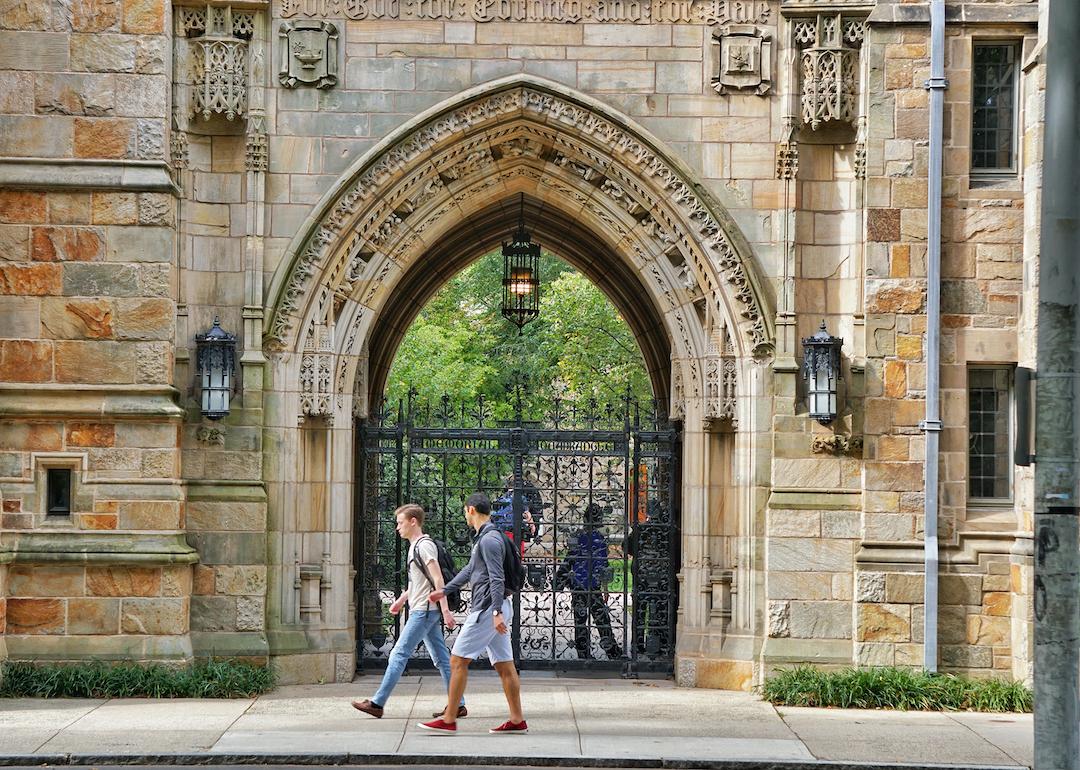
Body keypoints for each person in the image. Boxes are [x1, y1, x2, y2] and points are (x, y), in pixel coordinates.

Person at [419, 492, 528, 735]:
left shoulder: (489, 540)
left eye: (464, 511)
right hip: (494, 609)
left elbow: (497, 577)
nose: (464, 515)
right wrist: (444, 590)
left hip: (488, 609)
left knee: (457, 660)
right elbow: (471, 569)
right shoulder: (487, 537)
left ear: (470, 510)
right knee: (504, 666)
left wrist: (497, 612)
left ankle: (449, 718)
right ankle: (517, 719)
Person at [351, 503, 465, 719]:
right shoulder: (415, 546)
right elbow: (417, 582)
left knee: (398, 653)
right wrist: (401, 600)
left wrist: (446, 610)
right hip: (423, 608)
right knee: (441, 658)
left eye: (400, 523)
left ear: (413, 522)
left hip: (424, 611)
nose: (397, 527)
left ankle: (377, 703)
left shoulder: (424, 546)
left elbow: (438, 578)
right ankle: (458, 704)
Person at [556, 502, 623, 660]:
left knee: (580, 622)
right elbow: (603, 565)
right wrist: (605, 587)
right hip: (593, 585)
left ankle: (583, 653)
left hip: (578, 584)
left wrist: (561, 579)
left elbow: (569, 559)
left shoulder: (578, 536)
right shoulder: (600, 539)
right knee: (602, 620)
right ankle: (612, 651)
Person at [626, 502, 672, 659]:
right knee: (660, 609)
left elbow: (627, 546)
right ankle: (660, 644)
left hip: (642, 574)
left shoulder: (640, 529)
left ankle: (637, 645)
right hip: (661, 574)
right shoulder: (667, 529)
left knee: (640, 610)